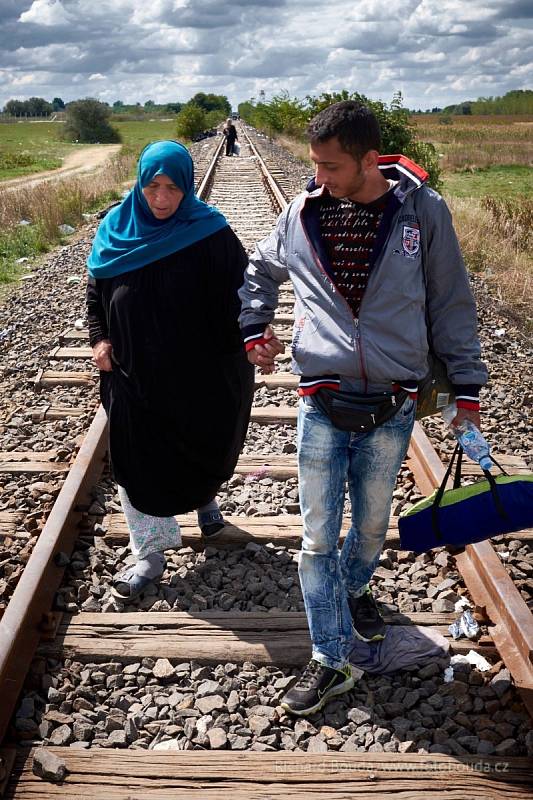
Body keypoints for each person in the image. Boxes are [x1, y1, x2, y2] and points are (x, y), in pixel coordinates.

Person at [239, 101, 487, 716]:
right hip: (321, 402)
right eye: (314, 164)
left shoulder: (422, 213)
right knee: (318, 539)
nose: (319, 177)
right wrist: (255, 329)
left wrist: (467, 387)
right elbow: (259, 271)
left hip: (393, 406)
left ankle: (345, 595)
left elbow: (451, 302)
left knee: (372, 531)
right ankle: (330, 658)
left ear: (370, 159)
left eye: (331, 166)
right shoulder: (301, 213)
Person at [87, 140, 254, 601]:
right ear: (139, 184)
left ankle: (203, 496)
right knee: (135, 461)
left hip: (199, 376)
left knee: (204, 442)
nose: (161, 198)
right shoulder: (115, 230)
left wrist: (254, 338)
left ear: (188, 188)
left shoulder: (211, 234)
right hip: (132, 376)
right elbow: (95, 296)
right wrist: (100, 339)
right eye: (152, 186)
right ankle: (150, 553)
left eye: (172, 189)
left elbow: (244, 297)